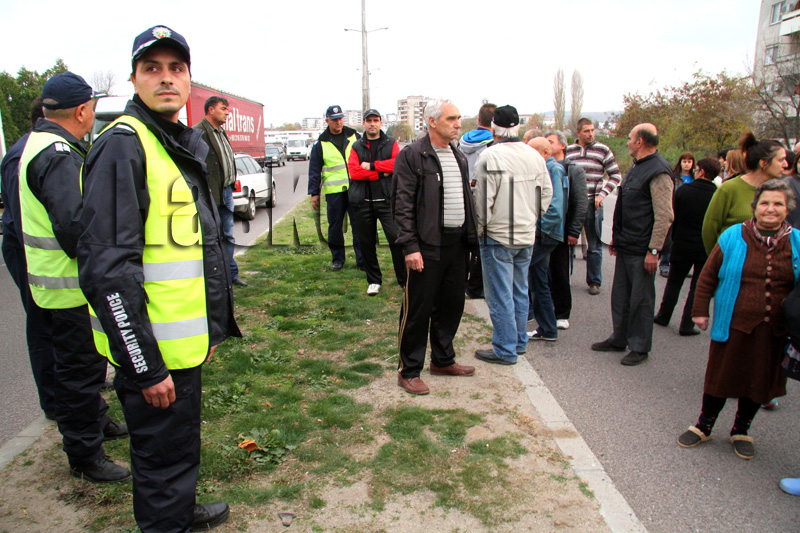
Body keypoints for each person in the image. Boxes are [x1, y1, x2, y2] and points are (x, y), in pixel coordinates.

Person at [78, 26, 239, 531]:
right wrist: (145, 366)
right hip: (151, 353)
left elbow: (196, 245)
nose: (166, 78)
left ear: (190, 79)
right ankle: (169, 519)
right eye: (152, 69)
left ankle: (180, 510)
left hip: (180, 344)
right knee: (161, 460)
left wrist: (211, 329)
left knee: (176, 447)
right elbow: (107, 268)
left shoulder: (173, 141)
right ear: (134, 79)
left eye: (176, 69)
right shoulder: (124, 146)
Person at [17, 72, 131, 483]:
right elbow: (74, 228)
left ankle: (96, 424)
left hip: (54, 285)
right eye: (94, 108)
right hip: (69, 288)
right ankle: (85, 454)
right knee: (80, 373)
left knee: (84, 367)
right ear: (83, 110)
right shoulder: (59, 154)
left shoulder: (37, 143)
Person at [678, 180, 799, 460]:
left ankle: (741, 429)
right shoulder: (733, 236)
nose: (771, 209)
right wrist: (700, 310)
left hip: (775, 330)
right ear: (755, 207)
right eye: (765, 203)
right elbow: (707, 276)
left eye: (778, 204)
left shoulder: (797, 242)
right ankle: (704, 425)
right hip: (733, 323)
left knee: (759, 381)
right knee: (720, 377)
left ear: (787, 209)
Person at [392, 99, 478, 395]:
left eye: (458, 118)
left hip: (457, 245)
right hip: (426, 246)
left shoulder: (459, 156)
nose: (458, 123)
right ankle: (409, 370)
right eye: (451, 118)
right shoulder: (413, 156)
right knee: (418, 309)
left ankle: (443, 360)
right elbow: (402, 206)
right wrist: (410, 247)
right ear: (432, 121)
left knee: (452, 304)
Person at [472, 106, 551, 365]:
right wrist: (532, 217)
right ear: (518, 126)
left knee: (499, 295)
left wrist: (480, 229)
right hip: (526, 235)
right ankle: (517, 343)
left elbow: (483, 200)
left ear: (493, 127)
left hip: (498, 236)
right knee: (519, 291)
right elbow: (546, 193)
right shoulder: (534, 155)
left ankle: (505, 349)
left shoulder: (490, 156)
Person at [591, 123, 674, 366]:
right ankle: (619, 338)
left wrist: (654, 250)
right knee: (621, 297)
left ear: (640, 142)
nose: (627, 142)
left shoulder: (658, 171)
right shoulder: (638, 167)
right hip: (627, 244)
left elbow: (664, 215)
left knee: (641, 299)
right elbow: (628, 206)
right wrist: (616, 238)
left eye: (630, 138)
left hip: (642, 249)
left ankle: (639, 346)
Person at [1, 96, 56, 420]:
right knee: (42, 323)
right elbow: (21, 213)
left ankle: (65, 390)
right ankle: (51, 401)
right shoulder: (24, 154)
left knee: (60, 326)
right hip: (27, 250)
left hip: (38, 250)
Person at [654, 157, 720, 335]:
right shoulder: (717, 194)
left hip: (682, 243)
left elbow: (673, 216)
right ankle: (687, 324)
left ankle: (663, 315)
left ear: (702, 171)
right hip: (705, 247)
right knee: (697, 287)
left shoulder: (684, 191)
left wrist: (672, 239)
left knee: (674, 282)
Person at [346, 108, 405, 295]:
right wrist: (381, 173)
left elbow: (397, 164)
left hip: (387, 201)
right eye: (369, 120)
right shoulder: (356, 147)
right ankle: (373, 280)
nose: (372, 124)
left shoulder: (391, 143)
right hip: (363, 201)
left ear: (381, 123)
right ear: (364, 123)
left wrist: (372, 167)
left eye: (376, 120)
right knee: (366, 243)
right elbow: (354, 172)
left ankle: (403, 279)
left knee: (397, 240)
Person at [702, 133, 788, 254]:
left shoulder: (779, 191)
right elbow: (709, 229)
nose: (786, 164)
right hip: (731, 265)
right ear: (763, 163)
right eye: (781, 160)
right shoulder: (729, 189)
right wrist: (719, 260)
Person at [565, 118, 623, 295]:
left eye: (592, 130)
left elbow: (615, 175)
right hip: (572, 204)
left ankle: (594, 281)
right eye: (586, 131)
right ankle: (565, 279)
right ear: (578, 133)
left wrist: (602, 194)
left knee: (594, 244)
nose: (590, 134)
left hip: (593, 203)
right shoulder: (569, 151)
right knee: (568, 242)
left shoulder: (602, 150)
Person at [194, 96, 247, 287]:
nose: (227, 112)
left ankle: (231, 275)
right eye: (223, 109)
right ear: (210, 110)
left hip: (225, 192)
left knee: (228, 235)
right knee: (212, 237)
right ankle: (216, 277)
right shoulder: (198, 133)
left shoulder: (221, 132)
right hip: (210, 194)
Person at [308, 105, 363, 271]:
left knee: (359, 226)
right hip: (334, 193)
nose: (338, 122)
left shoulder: (355, 136)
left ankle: (362, 260)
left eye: (340, 118)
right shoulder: (321, 143)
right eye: (334, 120)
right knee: (335, 227)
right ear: (327, 121)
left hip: (355, 188)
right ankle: (338, 259)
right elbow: (314, 170)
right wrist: (314, 193)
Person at [545, 130, 588, 330]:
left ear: (562, 145)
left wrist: (574, 231)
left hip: (563, 231)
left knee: (560, 272)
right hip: (544, 230)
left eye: (551, 141)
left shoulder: (573, 170)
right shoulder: (543, 166)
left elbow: (580, 203)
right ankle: (545, 309)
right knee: (543, 272)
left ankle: (562, 313)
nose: (548, 144)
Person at [526, 137, 565, 342]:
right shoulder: (544, 169)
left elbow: (555, 210)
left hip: (545, 234)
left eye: (532, 152)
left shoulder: (553, 170)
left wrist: (534, 227)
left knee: (520, 272)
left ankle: (517, 325)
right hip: (544, 234)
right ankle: (548, 329)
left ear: (545, 152)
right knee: (538, 280)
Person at [458, 102, 496, 299]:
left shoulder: (462, 141)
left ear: (479, 120)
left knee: (463, 241)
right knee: (482, 242)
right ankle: (475, 286)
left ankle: (461, 281)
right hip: (482, 194)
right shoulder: (493, 144)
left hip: (462, 193)